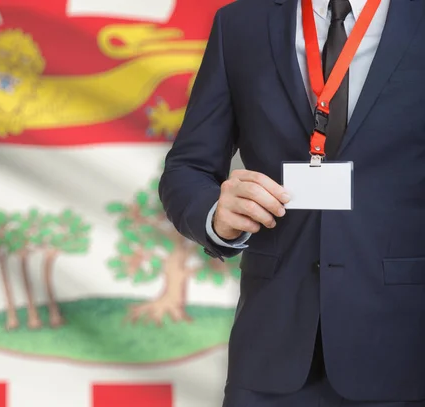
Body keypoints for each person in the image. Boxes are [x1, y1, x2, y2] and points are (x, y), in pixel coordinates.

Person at [158, 0, 425, 405]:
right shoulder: (241, 23)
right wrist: (215, 214)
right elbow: (187, 168)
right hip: (270, 353)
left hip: (405, 351)